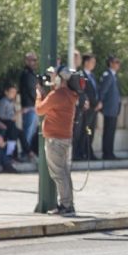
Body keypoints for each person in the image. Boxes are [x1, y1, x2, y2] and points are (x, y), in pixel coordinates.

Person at [35, 67, 80, 214]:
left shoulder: (57, 95)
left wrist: (38, 95)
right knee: (65, 172)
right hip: (65, 137)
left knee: (58, 173)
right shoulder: (70, 94)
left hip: (54, 139)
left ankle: (66, 205)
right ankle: (69, 204)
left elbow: (40, 110)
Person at [99, 56, 122, 160]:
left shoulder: (113, 75)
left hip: (114, 108)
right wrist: (100, 102)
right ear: (110, 63)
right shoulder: (108, 75)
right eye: (116, 62)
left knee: (111, 132)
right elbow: (103, 91)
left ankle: (110, 152)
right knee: (108, 132)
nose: (118, 64)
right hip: (109, 108)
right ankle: (107, 153)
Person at [78, 55, 99, 160]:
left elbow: (95, 91)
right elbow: (84, 91)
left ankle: (88, 152)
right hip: (87, 107)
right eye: (92, 62)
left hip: (94, 108)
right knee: (83, 131)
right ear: (86, 62)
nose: (94, 64)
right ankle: (81, 152)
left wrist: (98, 103)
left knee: (91, 131)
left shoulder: (92, 75)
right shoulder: (81, 74)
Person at [19, 53, 39, 156]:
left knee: (32, 131)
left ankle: (28, 152)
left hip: (33, 107)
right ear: (26, 61)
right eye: (32, 60)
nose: (34, 62)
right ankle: (25, 153)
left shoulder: (32, 74)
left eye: (35, 60)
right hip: (29, 107)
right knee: (28, 131)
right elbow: (32, 91)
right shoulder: (26, 74)